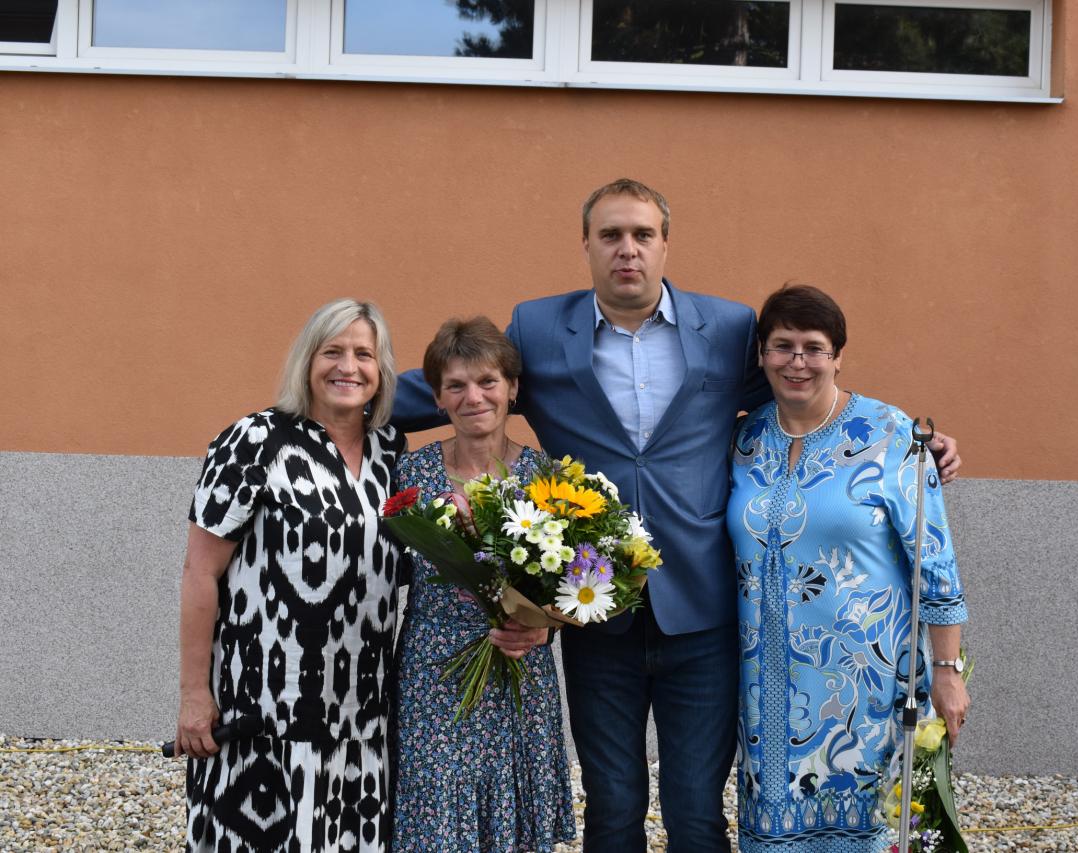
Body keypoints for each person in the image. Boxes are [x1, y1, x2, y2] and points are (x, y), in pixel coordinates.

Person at [391, 178, 961, 852]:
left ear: (665, 244)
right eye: (610, 235)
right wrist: (344, 406)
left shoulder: (727, 328)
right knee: (612, 808)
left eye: (642, 235)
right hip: (596, 615)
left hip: (702, 613)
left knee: (695, 810)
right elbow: (464, 380)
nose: (626, 250)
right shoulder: (540, 329)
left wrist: (905, 443)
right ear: (586, 245)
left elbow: (803, 378)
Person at [729, 284, 970, 852]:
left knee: (871, 831)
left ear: (837, 356)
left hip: (867, 684)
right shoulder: (744, 437)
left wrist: (947, 669)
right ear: (761, 354)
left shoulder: (892, 435)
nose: (797, 362)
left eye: (814, 348)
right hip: (765, 688)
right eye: (782, 346)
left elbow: (934, 562)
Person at [175, 299, 404, 852]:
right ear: (307, 361)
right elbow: (199, 572)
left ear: (381, 370)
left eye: (363, 354)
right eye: (332, 352)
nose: (348, 367)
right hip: (261, 712)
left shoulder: (392, 453)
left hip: (362, 719)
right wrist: (193, 694)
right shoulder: (254, 441)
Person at [391, 317, 575, 852]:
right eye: (456, 385)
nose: (474, 397)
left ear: (512, 389)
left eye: (488, 381)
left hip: (520, 671)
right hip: (433, 673)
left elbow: (573, 585)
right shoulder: (409, 478)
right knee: (435, 819)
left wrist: (544, 628)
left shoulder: (548, 480)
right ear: (437, 398)